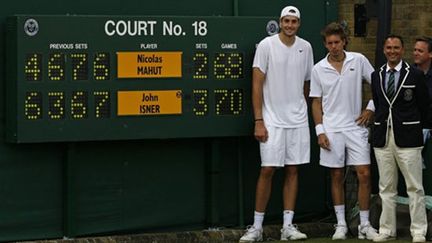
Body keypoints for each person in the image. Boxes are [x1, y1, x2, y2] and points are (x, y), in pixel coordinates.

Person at [239, 5, 313, 242]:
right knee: (268, 170)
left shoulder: (306, 47)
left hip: (298, 120)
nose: (290, 25)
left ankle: (287, 227)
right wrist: (259, 120)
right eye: (286, 21)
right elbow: (256, 84)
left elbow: (306, 84)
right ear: (280, 22)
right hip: (271, 121)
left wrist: (300, 109)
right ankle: (257, 228)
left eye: (294, 21)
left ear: (298, 24)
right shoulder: (266, 45)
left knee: (293, 170)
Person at [310, 22, 378, 240]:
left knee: (364, 174)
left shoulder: (358, 60)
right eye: (329, 43)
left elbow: (378, 85)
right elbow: (316, 102)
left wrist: (369, 109)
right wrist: (320, 131)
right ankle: (340, 224)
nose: (333, 46)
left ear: (344, 41)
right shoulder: (318, 68)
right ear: (325, 44)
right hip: (331, 129)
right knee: (336, 175)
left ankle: (365, 225)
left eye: (337, 42)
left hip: (356, 127)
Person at [371, 35, 430, 243]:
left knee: (415, 186)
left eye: (396, 47)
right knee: (386, 187)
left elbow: (424, 106)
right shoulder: (376, 74)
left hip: (409, 138)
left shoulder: (414, 74)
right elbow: (379, 105)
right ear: (384, 50)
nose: (392, 51)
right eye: (388, 47)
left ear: (402, 49)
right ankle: (387, 230)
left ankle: (418, 231)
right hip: (383, 138)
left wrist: (415, 127)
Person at [412, 36, 432, 160]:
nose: (415, 53)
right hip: (412, 130)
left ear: (430, 54)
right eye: (415, 50)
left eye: (420, 51)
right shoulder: (408, 73)